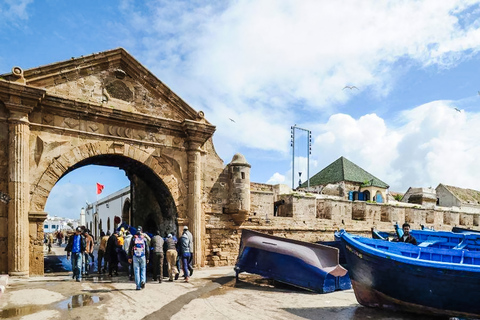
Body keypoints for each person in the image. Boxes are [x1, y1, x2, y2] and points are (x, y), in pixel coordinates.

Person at [128, 226, 150, 290]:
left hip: (135, 256)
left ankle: (138, 286)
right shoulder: (144, 239)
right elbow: (147, 249)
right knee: (143, 269)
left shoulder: (133, 238)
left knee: (136, 271)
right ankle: (143, 281)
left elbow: (130, 248)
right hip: (143, 256)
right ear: (141, 231)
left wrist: (129, 257)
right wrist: (148, 258)